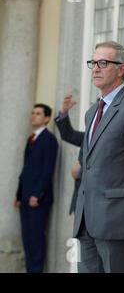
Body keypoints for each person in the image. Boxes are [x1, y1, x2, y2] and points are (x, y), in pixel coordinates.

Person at [73, 41, 124, 273]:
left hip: (118, 220)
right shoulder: (90, 113)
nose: (96, 68)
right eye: (93, 63)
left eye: (103, 63)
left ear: (121, 68)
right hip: (86, 219)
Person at [14, 104, 58, 273]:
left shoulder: (49, 140)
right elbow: (26, 169)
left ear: (47, 118)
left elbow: (47, 170)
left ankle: (36, 270)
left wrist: (36, 195)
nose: (34, 116)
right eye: (33, 113)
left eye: (38, 114)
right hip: (25, 197)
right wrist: (19, 194)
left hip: (38, 199)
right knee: (27, 239)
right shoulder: (31, 139)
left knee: (37, 238)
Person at [54, 93, 84, 214]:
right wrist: (64, 112)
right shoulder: (89, 135)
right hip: (80, 199)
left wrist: (79, 171)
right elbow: (68, 135)